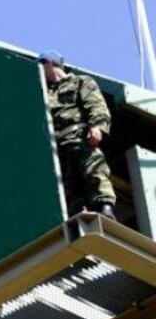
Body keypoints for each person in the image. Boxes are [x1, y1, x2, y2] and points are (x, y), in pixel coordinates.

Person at [39, 49, 116, 219]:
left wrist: (97, 127)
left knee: (93, 170)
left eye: (41, 65)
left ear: (49, 63)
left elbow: (96, 106)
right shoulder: (44, 93)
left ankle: (105, 209)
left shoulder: (80, 82)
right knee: (68, 186)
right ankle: (79, 217)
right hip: (58, 146)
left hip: (80, 137)